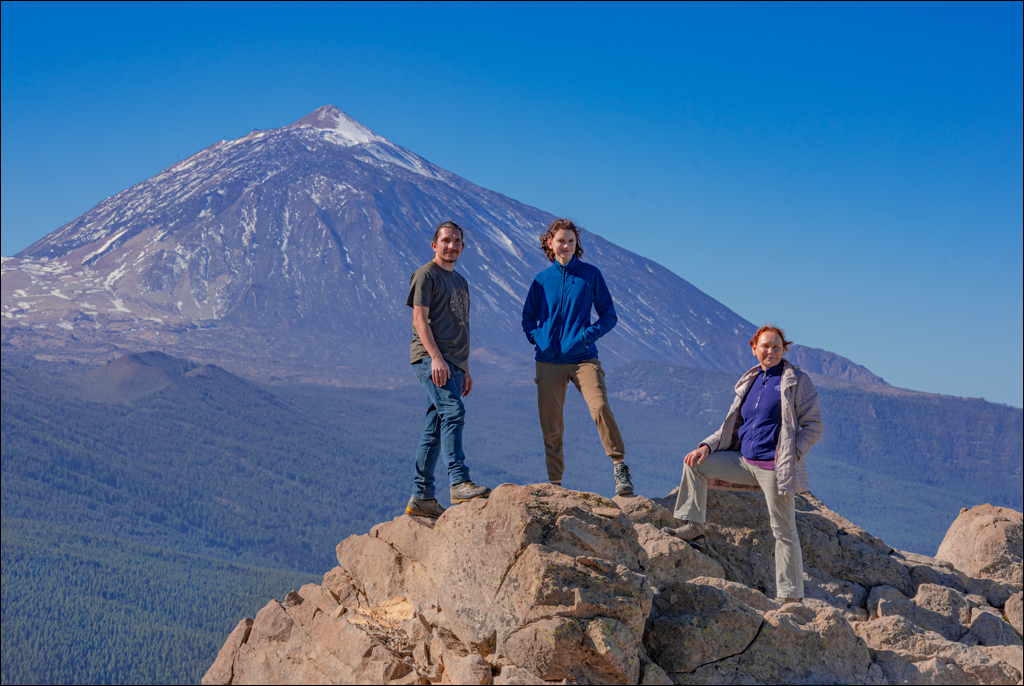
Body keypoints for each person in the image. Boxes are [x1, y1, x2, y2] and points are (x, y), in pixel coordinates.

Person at [668, 324, 823, 602]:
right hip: (742, 462)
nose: (771, 351)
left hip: (773, 469)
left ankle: (790, 596)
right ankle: (693, 527)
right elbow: (731, 424)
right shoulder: (750, 380)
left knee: (784, 532)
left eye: (777, 346)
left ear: (783, 349)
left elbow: (814, 426)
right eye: (765, 346)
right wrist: (706, 445)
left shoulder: (796, 380)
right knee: (695, 464)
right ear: (754, 348)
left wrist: (790, 456)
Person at [520, 218, 634, 496]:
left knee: (599, 407)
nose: (567, 245)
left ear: (576, 245)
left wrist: (585, 337)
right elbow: (528, 318)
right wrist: (539, 338)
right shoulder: (541, 280)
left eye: (572, 241)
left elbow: (609, 316)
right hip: (548, 360)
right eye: (561, 240)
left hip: (583, 358)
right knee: (551, 422)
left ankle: (620, 468)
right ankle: (555, 483)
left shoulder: (590, 275)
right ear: (550, 243)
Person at [404, 221, 491, 518]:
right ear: (434, 244)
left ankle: (422, 496)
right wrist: (437, 359)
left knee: (436, 426)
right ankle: (459, 481)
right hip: (432, 359)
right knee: (454, 413)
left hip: (454, 363)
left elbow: (461, 325)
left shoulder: (461, 281)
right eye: (446, 240)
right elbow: (419, 321)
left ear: (463, 248)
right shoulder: (425, 275)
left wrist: (465, 367)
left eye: (457, 241)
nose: (451, 245)